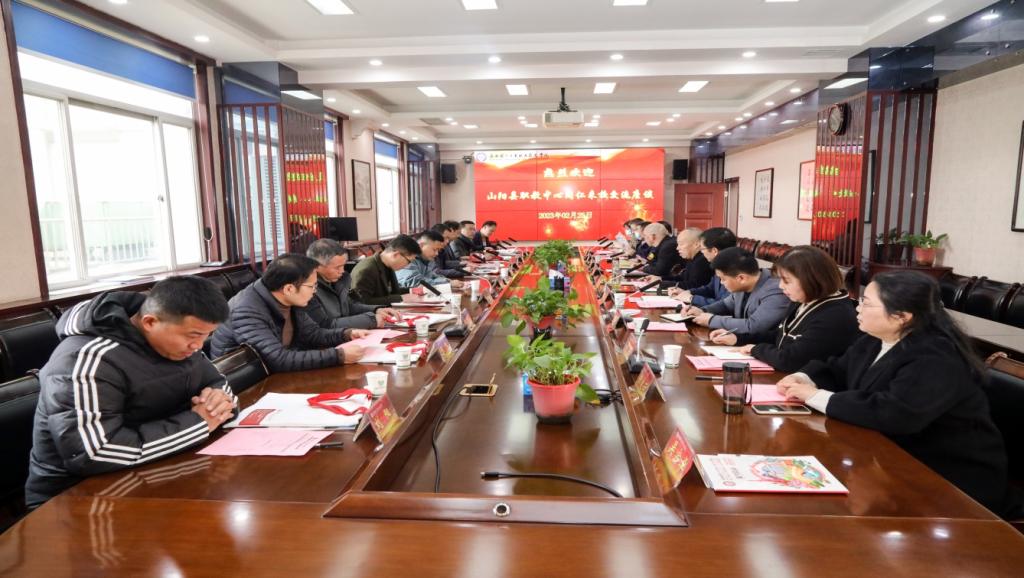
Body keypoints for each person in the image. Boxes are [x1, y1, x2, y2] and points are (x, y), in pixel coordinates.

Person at [776, 271, 1009, 513]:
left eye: (867, 303)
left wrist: (814, 396)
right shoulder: (876, 339)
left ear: (902, 316)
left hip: (947, 477)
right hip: (889, 456)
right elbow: (837, 370)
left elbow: (894, 412)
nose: (858, 308)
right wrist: (803, 377)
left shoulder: (936, 356)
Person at [26, 276, 236, 507]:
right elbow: (93, 453)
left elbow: (219, 384)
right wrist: (199, 424)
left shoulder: (179, 347)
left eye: (207, 335)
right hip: (74, 499)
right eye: (193, 336)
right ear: (150, 322)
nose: (198, 346)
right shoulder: (87, 359)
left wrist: (218, 402)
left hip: (157, 471)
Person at [709, 245, 860, 372]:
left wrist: (755, 349)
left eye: (786, 281)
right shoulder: (803, 299)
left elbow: (790, 359)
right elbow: (780, 335)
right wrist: (738, 338)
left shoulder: (835, 315)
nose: (781, 286)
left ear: (811, 280)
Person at [211, 254, 366, 372]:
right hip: (247, 385)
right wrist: (339, 355)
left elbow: (313, 334)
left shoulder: (289, 299)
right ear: (289, 288)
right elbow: (277, 359)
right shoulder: (247, 310)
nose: (314, 292)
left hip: (278, 374)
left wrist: (347, 334)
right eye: (312, 286)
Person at [687, 247, 791, 336]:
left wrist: (711, 320)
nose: (721, 283)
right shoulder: (743, 285)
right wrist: (702, 311)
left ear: (741, 278)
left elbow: (754, 326)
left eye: (723, 279)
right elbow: (726, 305)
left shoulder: (776, 290)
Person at [303, 239, 402, 330]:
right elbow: (325, 325)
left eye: (343, 266)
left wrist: (376, 310)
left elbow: (349, 306)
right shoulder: (308, 290)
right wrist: (371, 320)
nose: (342, 271)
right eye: (337, 267)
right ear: (317, 266)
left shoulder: (338, 281)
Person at [669, 227, 736, 307]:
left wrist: (692, 298)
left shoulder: (735, 270)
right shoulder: (719, 264)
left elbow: (724, 305)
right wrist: (688, 292)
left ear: (714, 251)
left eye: (702, 249)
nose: (701, 252)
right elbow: (710, 288)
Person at [349, 234, 421, 305]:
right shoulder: (366, 270)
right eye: (409, 261)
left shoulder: (387, 264)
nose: (408, 265)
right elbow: (362, 303)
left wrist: (411, 290)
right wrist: (401, 298)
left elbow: (390, 291)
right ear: (396, 255)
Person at [397, 230, 465, 290]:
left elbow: (432, 276)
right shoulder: (407, 257)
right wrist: (447, 283)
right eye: (434, 249)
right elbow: (416, 282)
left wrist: (448, 281)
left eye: (438, 250)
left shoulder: (424, 260)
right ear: (421, 245)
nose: (437, 254)